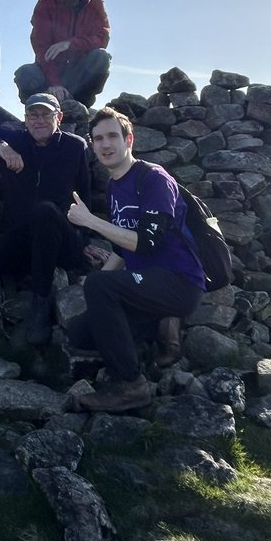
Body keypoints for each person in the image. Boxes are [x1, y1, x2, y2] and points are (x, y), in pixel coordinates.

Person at [65, 108, 206, 412]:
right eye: (98, 138)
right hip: (146, 284)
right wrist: (97, 278)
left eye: (113, 136)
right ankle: (160, 328)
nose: (105, 144)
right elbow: (121, 247)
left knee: (102, 287)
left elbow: (146, 242)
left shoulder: (153, 178)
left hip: (178, 282)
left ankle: (130, 384)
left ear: (128, 139)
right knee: (81, 332)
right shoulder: (116, 186)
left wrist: (90, 222)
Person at [0, 93, 91, 352]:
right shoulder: (16, 140)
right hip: (23, 242)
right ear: (25, 119)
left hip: (61, 243)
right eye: (33, 115)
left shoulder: (75, 147)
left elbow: (84, 196)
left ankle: (40, 308)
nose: (39, 120)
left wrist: (84, 238)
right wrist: (1, 147)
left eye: (46, 114)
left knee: (45, 211)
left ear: (59, 117)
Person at [13, 0, 111, 108]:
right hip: (49, 75)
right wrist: (54, 83)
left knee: (101, 57)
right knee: (25, 74)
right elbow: (41, 48)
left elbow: (102, 38)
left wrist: (71, 44)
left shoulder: (96, 5)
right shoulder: (46, 4)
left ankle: (79, 105)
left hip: (78, 78)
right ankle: (42, 107)